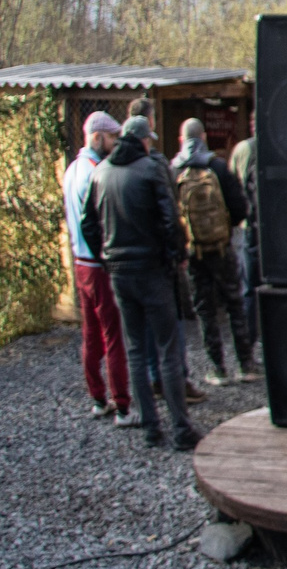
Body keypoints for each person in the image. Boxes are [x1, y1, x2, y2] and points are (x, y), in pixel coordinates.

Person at [81, 114, 199, 450]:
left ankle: (151, 428)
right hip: (152, 271)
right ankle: (180, 429)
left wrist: (105, 257)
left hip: (119, 273)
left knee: (134, 349)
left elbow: (88, 224)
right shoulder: (150, 170)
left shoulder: (99, 173)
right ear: (142, 140)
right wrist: (175, 257)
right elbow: (169, 220)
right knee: (168, 349)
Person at [173, 118, 256, 384]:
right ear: (205, 137)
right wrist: (225, 227)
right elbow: (241, 207)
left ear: (181, 140)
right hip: (222, 248)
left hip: (194, 251)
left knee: (205, 309)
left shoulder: (173, 170)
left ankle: (217, 368)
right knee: (234, 302)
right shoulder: (218, 167)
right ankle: (245, 364)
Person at [61, 111, 129, 422]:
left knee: (90, 333)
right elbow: (100, 221)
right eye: (112, 137)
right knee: (113, 334)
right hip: (99, 264)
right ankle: (122, 402)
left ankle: (98, 396)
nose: (115, 143)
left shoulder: (71, 169)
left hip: (80, 263)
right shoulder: (96, 171)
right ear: (98, 137)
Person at [228, 117, 260, 329]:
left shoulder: (242, 149)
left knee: (248, 286)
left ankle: (248, 340)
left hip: (248, 226)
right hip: (277, 227)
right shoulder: (281, 147)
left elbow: (232, 183)